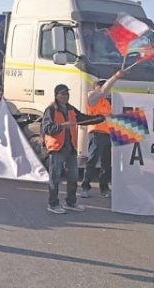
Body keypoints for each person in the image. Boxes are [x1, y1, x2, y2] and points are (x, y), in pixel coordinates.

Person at [42, 83, 105, 214]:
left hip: (70, 148)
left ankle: (70, 202)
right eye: (63, 94)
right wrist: (62, 126)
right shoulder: (51, 110)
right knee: (55, 178)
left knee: (73, 177)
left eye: (67, 94)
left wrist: (99, 118)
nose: (66, 96)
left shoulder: (71, 109)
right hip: (56, 148)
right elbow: (46, 129)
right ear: (56, 95)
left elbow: (83, 119)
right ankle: (52, 204)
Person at [81, 70, 124, 198]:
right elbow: (102, 92)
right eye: (100, 86)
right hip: (96, 134)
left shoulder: (108, 103)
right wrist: (115, 76)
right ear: (95, 88)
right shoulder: (92, 99)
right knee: (92, 161)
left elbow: (111, 117)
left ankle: (104, 188)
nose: (104, 89)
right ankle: (85, 187)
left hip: (108, 134)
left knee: (106, 162)